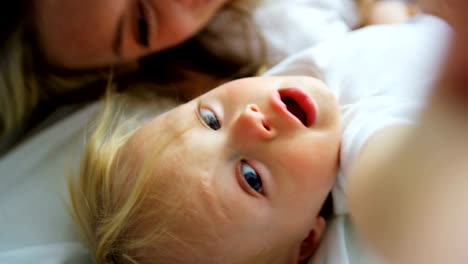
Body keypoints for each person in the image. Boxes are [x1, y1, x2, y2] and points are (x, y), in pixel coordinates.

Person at [69, 5, 451, 261]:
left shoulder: (286, 70)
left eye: (210, 120)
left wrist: (391, 18)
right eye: (251, 178)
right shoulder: (357, 145)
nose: (248, 120)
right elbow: (394, 200)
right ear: (306, 243)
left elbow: (373, 52)